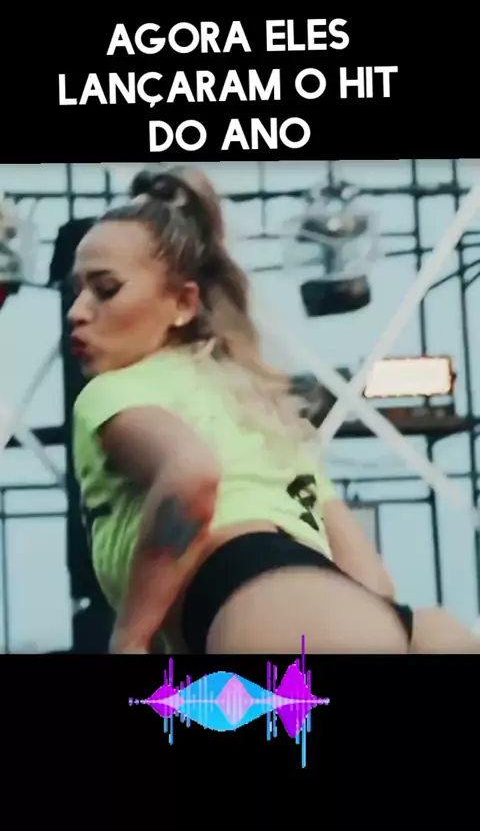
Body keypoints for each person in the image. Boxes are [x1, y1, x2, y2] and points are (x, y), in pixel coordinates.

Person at [68, 167, 479, 655]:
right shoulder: (260, 410)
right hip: (408, 628)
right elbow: (373, 580)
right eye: (76, 290)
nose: (77, 310)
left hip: (263, 610)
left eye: (105, 288)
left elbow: (191, 475)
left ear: (182, 302)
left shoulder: (114, 392)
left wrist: (130, 636)